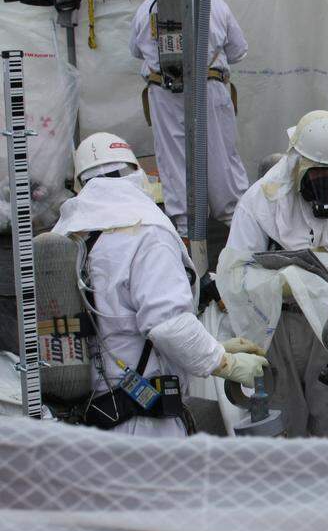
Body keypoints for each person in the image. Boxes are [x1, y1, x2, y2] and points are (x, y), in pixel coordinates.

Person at [52, 133, 267, 437]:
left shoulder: (70, 234)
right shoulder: (145, 232)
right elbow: (168, 325)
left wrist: (213, 344)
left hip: (92, 420)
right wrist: (223, 360)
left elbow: (119, 324)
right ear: (137, 173)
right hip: (144, 423)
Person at [226, 111, 328, 437]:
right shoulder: (259, 204)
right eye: (317, 176)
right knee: (283, 420)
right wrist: (282, 284)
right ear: (296, 165)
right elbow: (237, 274)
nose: (326, 185)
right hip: (276, 324)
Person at [129, 0, 249, 237]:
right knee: (221, 157)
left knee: (174, 160)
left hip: (164, 92)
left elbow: (135, 51)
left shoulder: (149, 5)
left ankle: (185, 233)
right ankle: (238, 229)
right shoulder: (213, 0)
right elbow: (238, 51)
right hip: (209, 87)